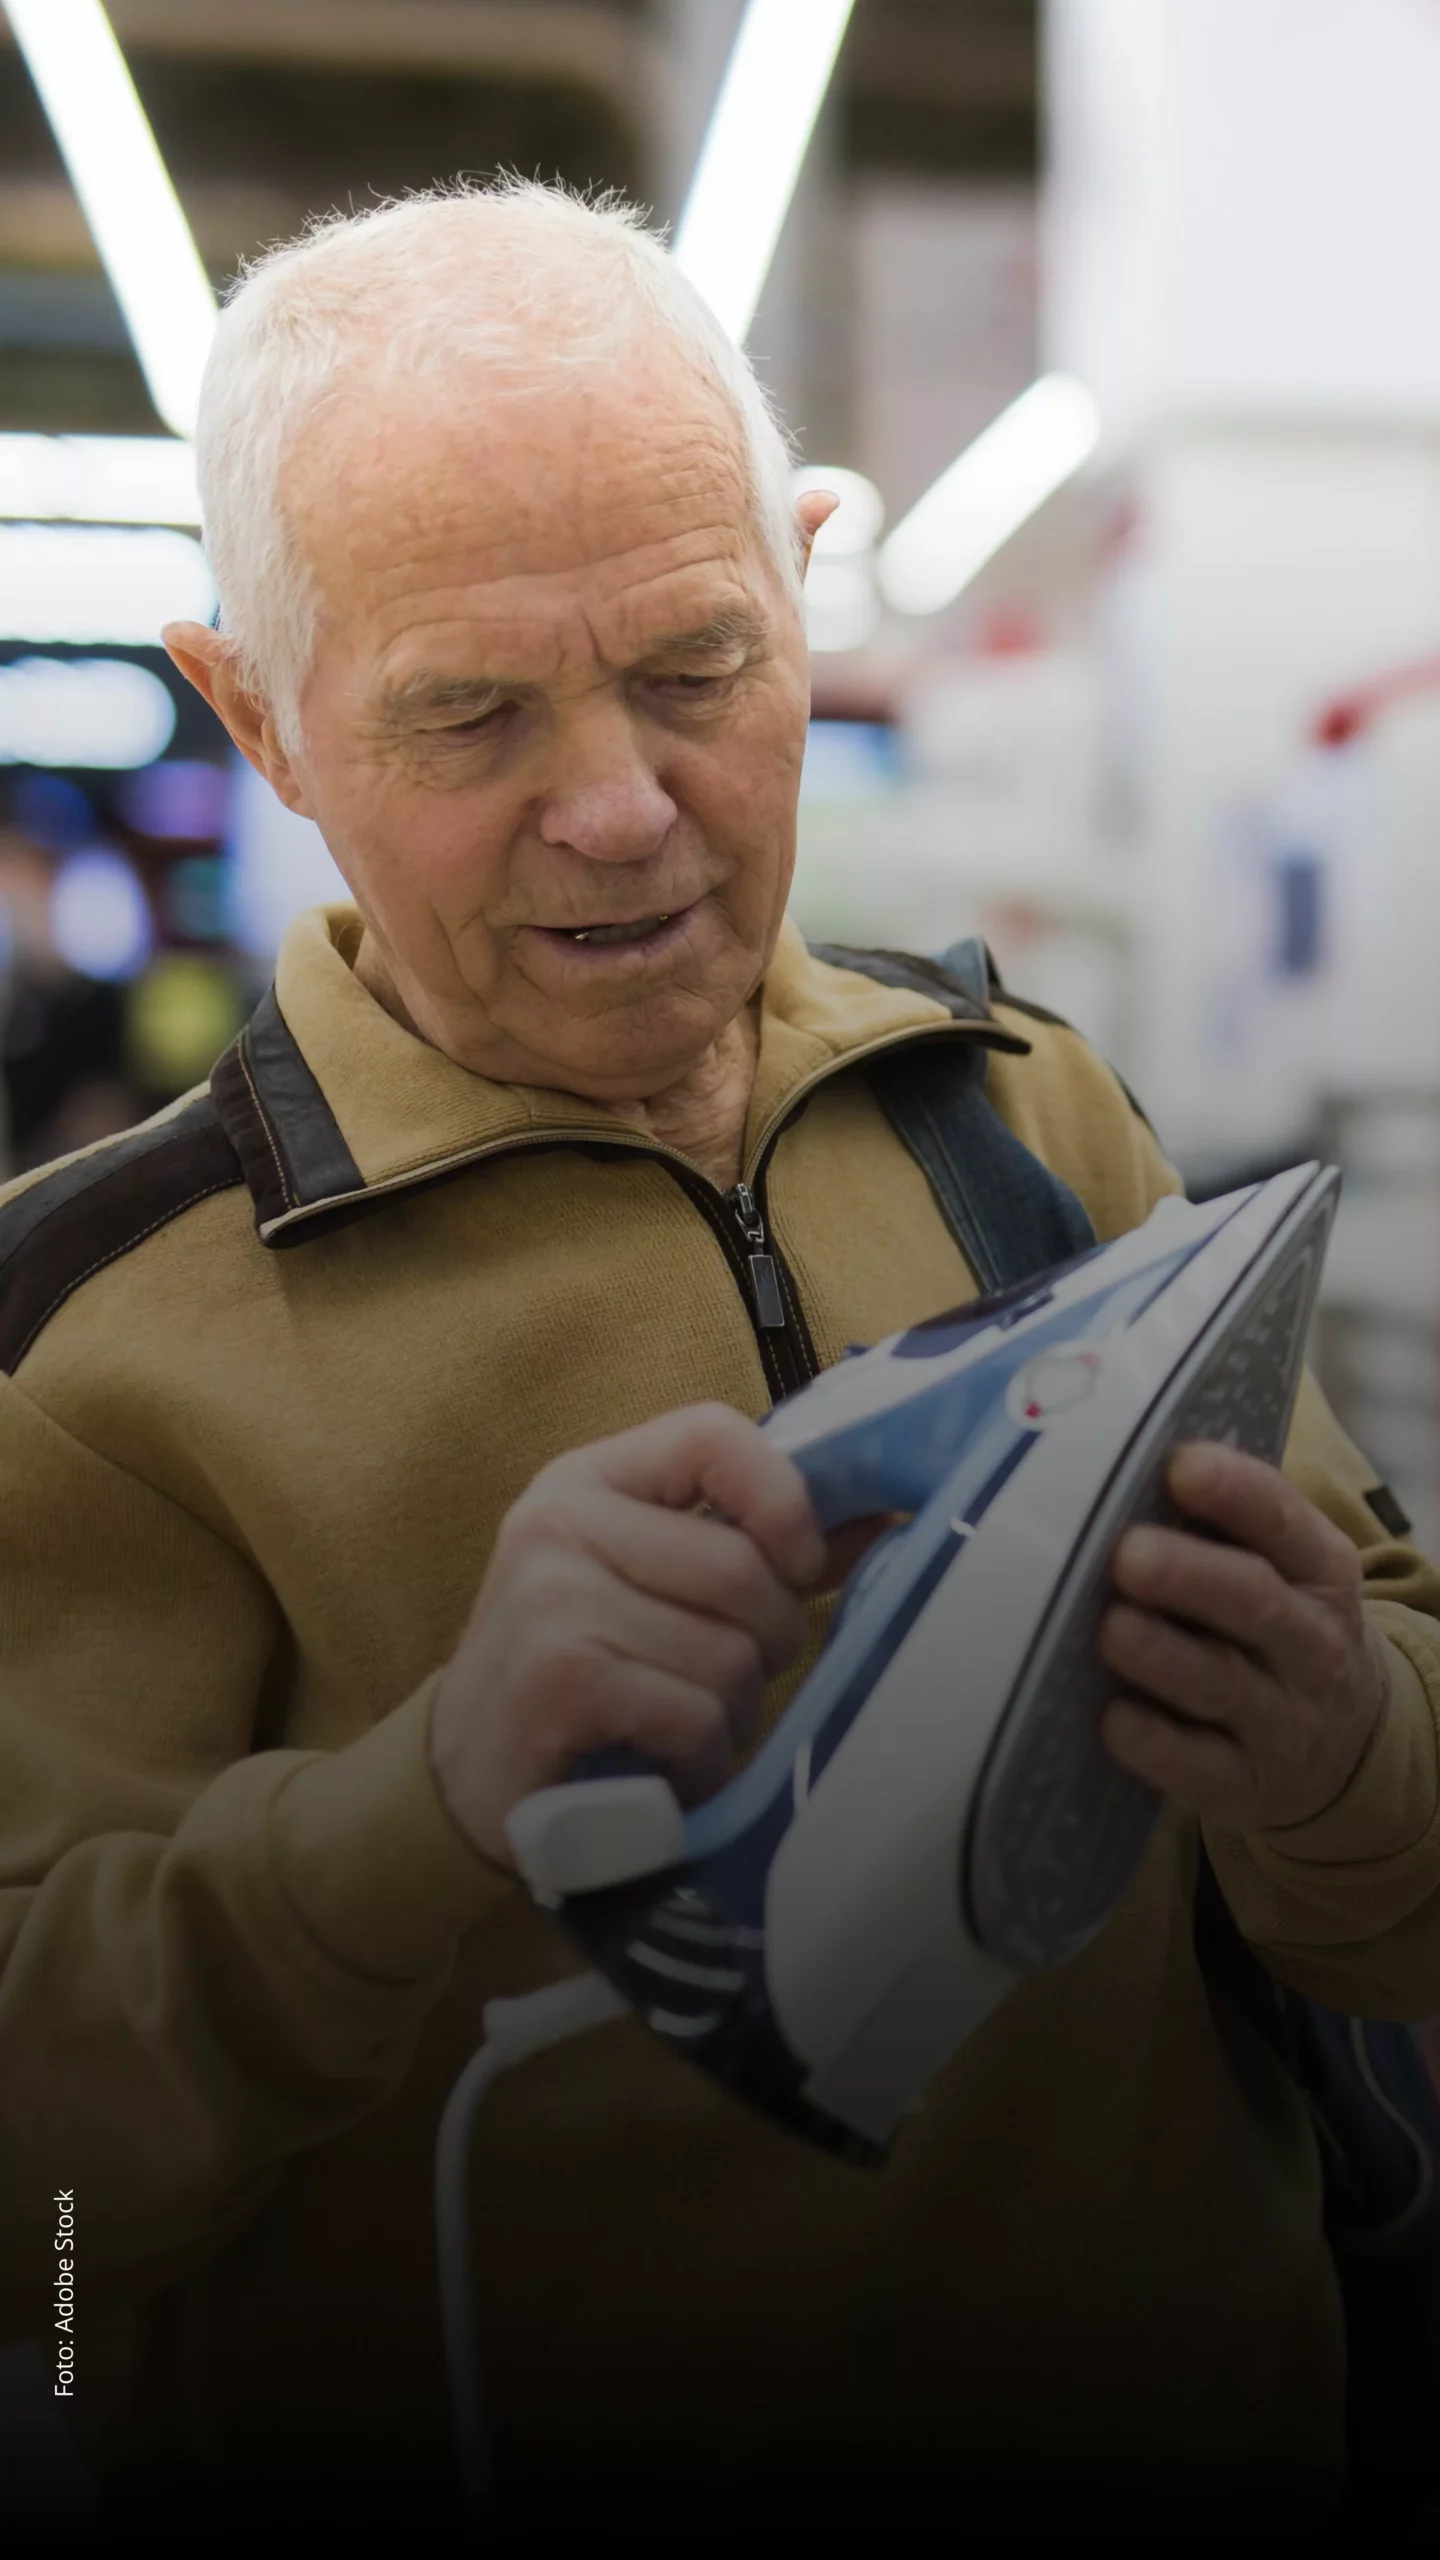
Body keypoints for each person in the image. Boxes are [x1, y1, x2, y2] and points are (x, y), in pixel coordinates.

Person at [1, 181, 1437, 2555]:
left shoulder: (1027, 1107)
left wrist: (1338, 1749)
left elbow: (1398, 1882)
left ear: (799, 583)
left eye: (697, 665)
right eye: (469, 708)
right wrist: (428, 1802)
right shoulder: (95, 1339)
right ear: (256, 711)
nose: (620, 806)